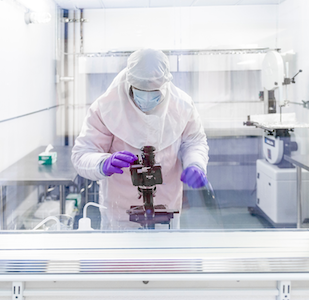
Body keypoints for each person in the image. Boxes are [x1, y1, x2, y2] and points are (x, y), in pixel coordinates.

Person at [72, 48, 209, 230]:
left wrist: (195, 164)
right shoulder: (106, 108)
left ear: (165, 83)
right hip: (120, 214)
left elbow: (194, 142)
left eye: (154, 91)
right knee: (122, 258)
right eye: (140, 90)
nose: (146, 97)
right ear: (129, 83)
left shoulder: (182, 106)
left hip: (167, 210)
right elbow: (82, 154)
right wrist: (103, 163)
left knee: (165, 257)